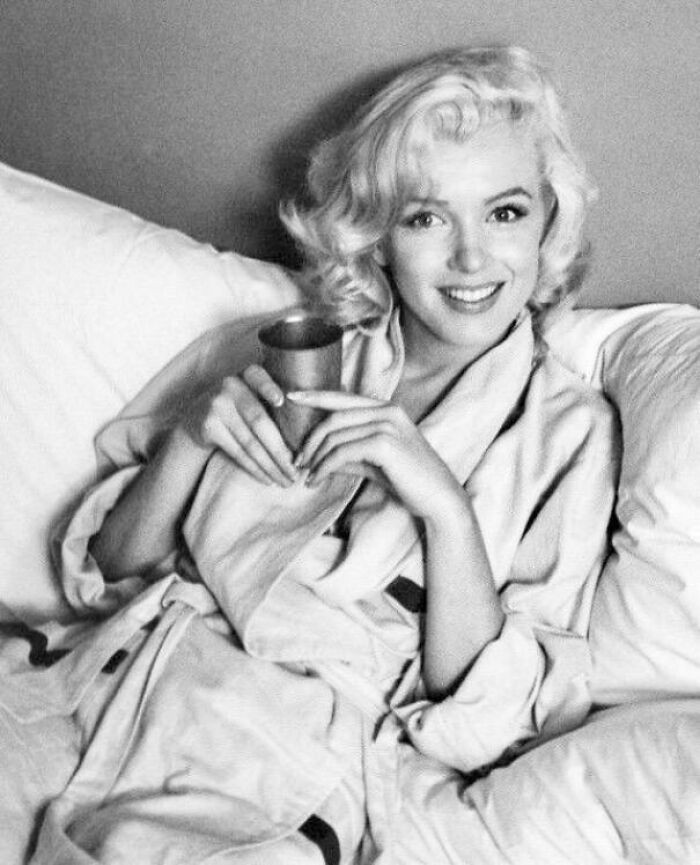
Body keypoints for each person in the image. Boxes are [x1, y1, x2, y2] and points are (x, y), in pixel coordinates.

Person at [4, 46, 617, 864]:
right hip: (89, 687)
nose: (472, 258)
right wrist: (188, 438)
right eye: (426, 217)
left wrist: (444, 508)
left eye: (505, 213)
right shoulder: (284, 352)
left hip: (269, 769)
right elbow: (105, 573)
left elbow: (486, 722)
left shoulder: (570, 435)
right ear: (379, 238)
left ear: (548, 223)